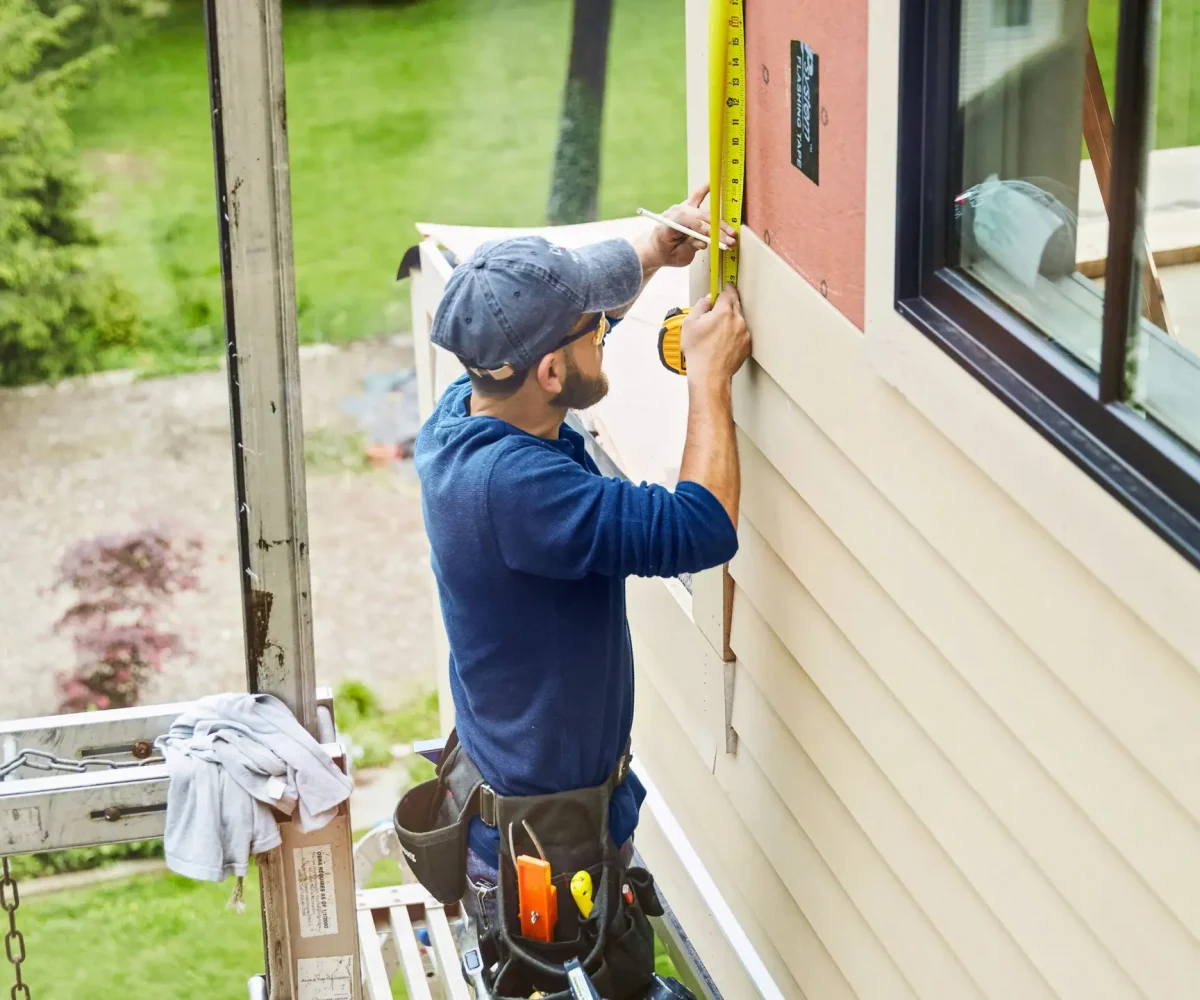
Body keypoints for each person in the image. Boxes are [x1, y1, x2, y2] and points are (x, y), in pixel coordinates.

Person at [413, 184, 751, 936]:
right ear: (550, 376)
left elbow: (558, 324)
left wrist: (653, 254)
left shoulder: (464, 414)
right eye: (593, 328)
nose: (609, 327)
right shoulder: (520, 492)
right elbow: (699, 527)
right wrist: (708, 379)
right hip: (544, 855)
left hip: (528, 813)